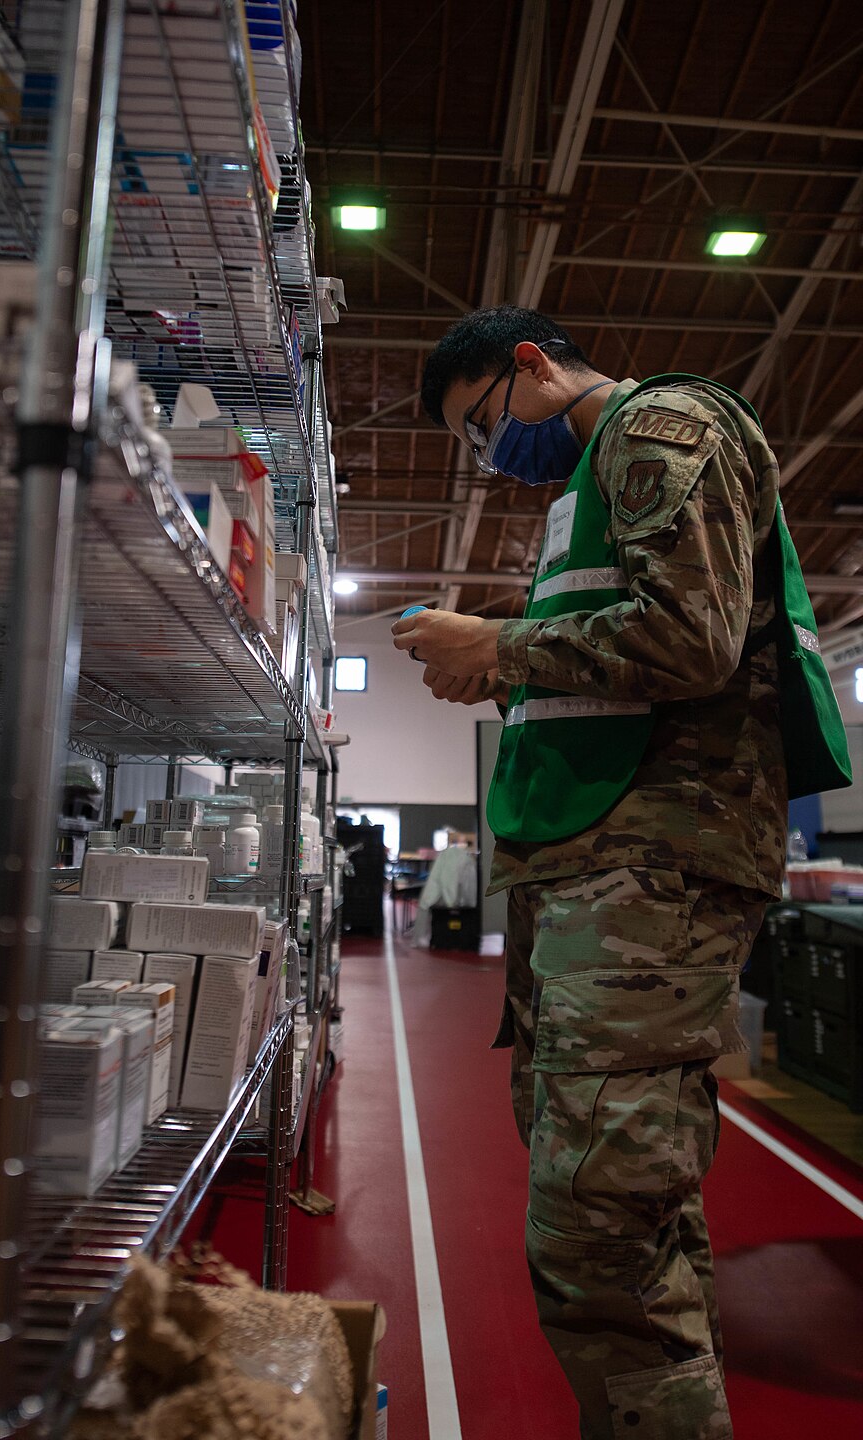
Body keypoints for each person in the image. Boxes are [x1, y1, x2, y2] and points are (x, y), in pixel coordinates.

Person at [392, 305, 850, 1440]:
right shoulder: (581, 494)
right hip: (607, 862)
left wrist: (497, 646)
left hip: (655, 861)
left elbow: (690, 638)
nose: (491, 458)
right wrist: (500, 659)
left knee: (595, 1223)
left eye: (483, 425)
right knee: (622, 1208)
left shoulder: (659, 425)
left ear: (533, 366)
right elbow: (618, 655)